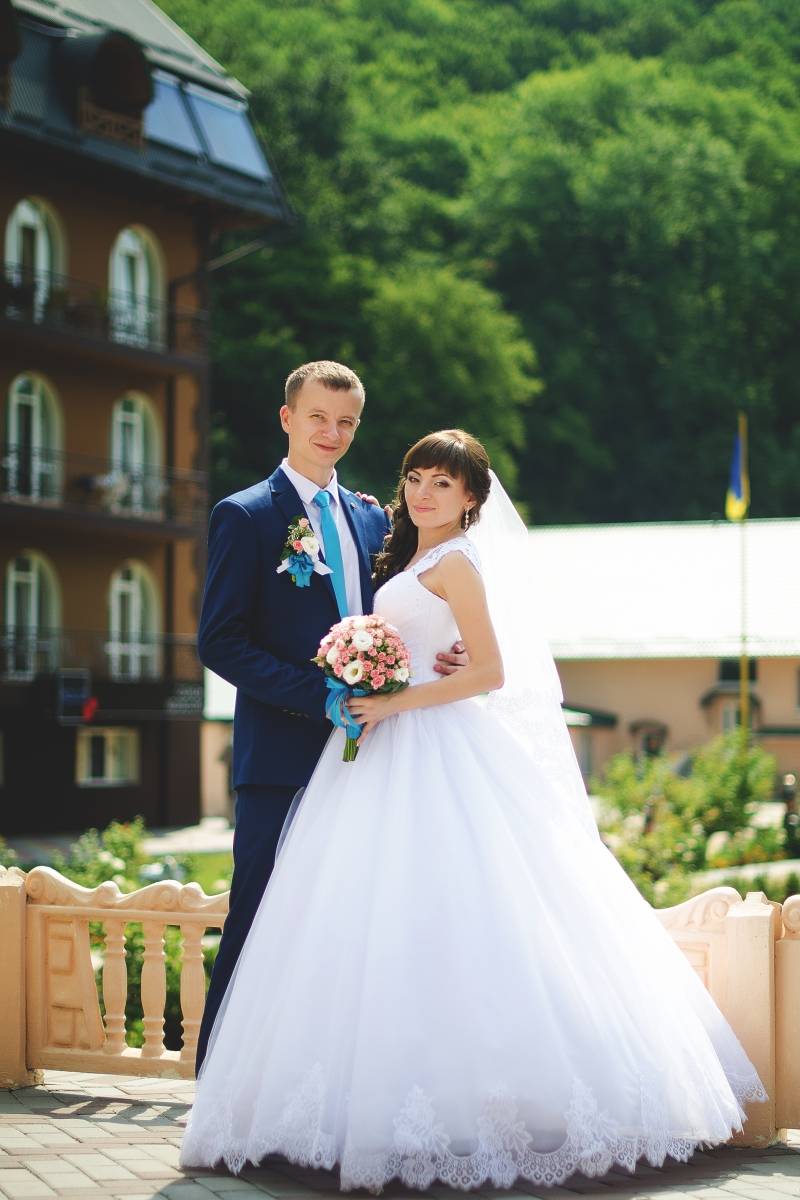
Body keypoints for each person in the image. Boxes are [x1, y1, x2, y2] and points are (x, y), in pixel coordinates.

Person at [182, 428, 767, 1191]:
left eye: (443, 484)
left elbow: (490, 670)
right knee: (366, 917)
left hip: (431, 739)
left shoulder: (457, 560)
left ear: (471, 500)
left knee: (460, 912)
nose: (424, 493)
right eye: (416, 478)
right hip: (377, 751)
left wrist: (397, 701)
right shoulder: (398, 547)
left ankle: (478, 1105)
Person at [194, 363, 465, 1072]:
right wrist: (318, 695)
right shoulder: (245, 515)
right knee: (257, 915)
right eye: (317, 417)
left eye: (346, 422)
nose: (332, 433)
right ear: (287, 418)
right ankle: (217, 1085)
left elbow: (411, 606)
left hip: (374, 755)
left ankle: (317, 1083)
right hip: (281, 755)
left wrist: (452, 649)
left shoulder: (374, 517)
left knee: (350, 924)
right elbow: (220, 642)